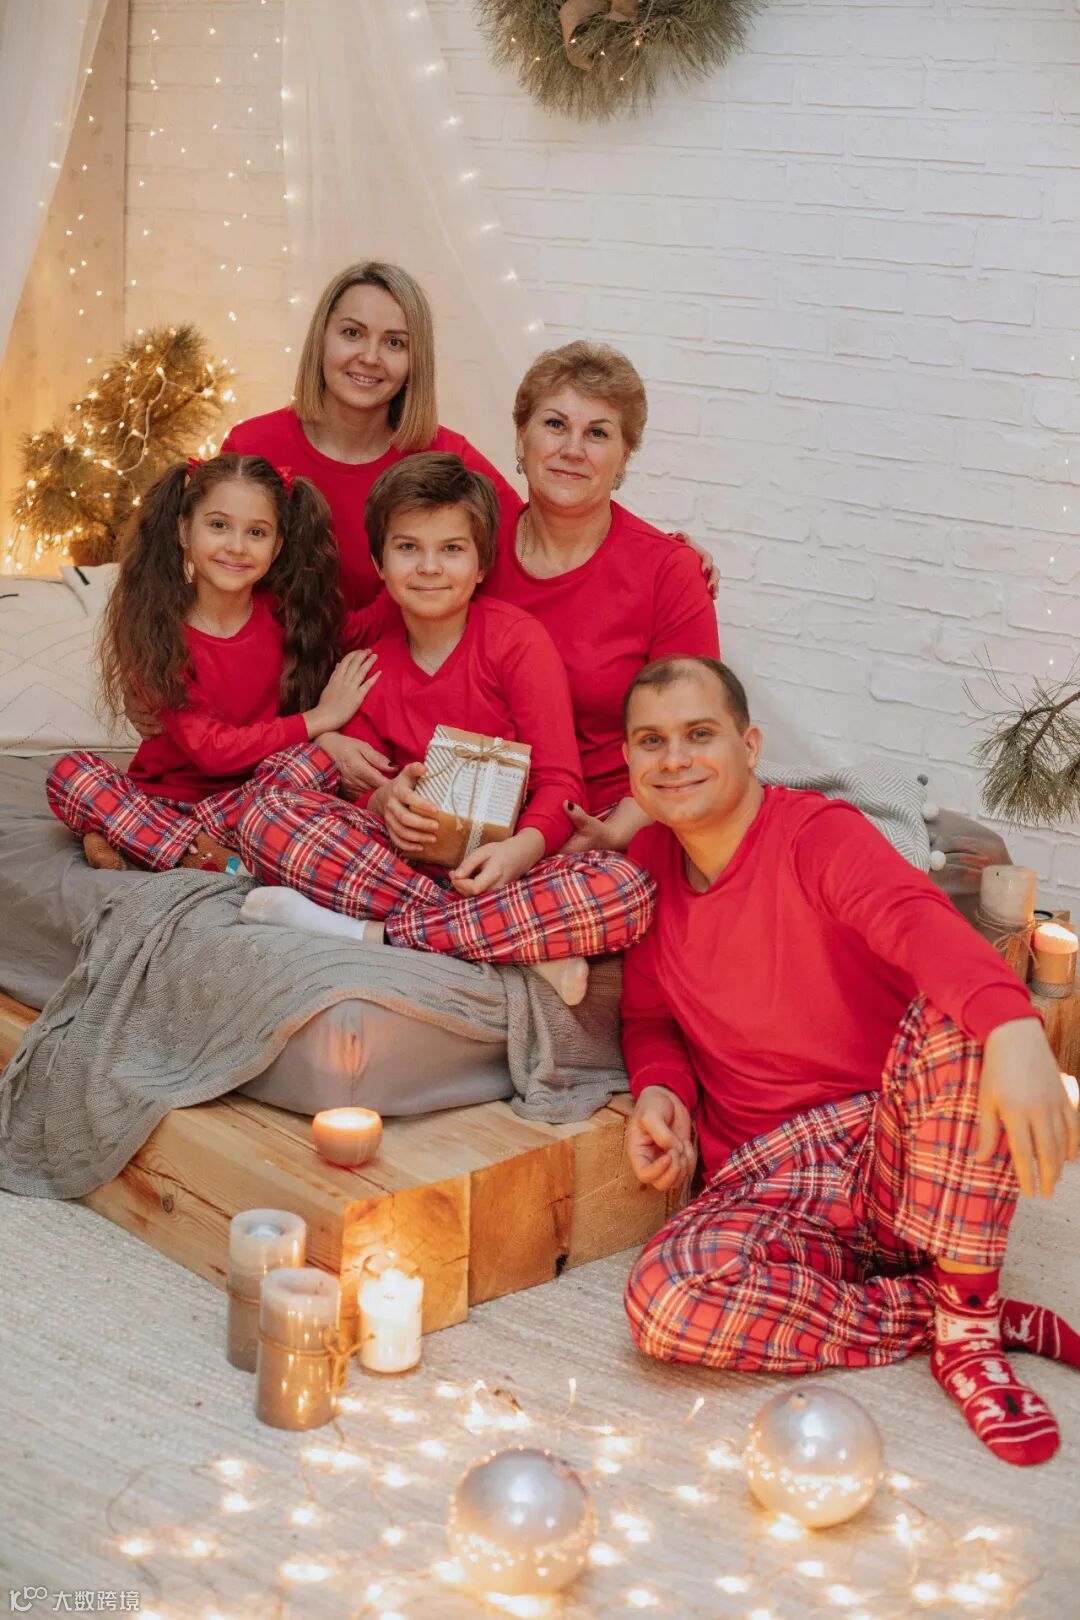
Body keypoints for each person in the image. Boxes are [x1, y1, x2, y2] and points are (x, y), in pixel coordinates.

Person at [618, 654, 1080, 1466]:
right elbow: (650, 1017)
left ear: (750, 745)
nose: (675, 758)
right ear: (629, 761)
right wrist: (661, 1091)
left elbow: (916, 920)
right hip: (771, 1180)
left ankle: (968, 1340)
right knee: (667, 1302)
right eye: (651, 741)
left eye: (700, 734)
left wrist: (1013, 1024)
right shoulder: (648, 868)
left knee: (958, 1016)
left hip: (891, 1150)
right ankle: (947, 1313)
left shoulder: (815, 834)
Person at [236, 454, 655, 1002]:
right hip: (401, 867)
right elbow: (363, 791)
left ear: (481, 565)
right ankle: (500, 941)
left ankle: (370, 934)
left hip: (509, 864)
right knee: (264, 815)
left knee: (626, 890)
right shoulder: (373, 664)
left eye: (452, 549)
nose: (429, 567)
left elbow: (561, 783)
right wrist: (384, 801)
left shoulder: (516, 643)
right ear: (379, 564)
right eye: (408, 548)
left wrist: (519, 852)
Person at [46, 454, 377, 873]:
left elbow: (381, 620)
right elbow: (213, 752)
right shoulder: (157, 627)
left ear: (277, 546)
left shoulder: (288, 617)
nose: (236, 546)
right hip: (160, 797)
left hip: (252, 800)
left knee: (316, 766)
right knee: (71, 772)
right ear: (184, 529)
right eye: (218, 525)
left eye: (256, 532)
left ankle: (137, 837)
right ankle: (199, 849)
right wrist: (321, 718)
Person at [481, 342, 721, 854]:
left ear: (624, 456)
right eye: (555, 424)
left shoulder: (669, 572)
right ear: (521, 437)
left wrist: (612, 835)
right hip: (474, 803)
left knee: (610, 890)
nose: (572, 449)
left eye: (597, 433)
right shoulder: (469, 546)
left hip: (606, 819)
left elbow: (691, 739)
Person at [221, 260, 516, 612]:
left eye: (394, 342)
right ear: (321, 339)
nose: (370, 357)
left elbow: (525, 555)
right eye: (352, 333)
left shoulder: (451, 459)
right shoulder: (251, 446)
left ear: (415, 361)